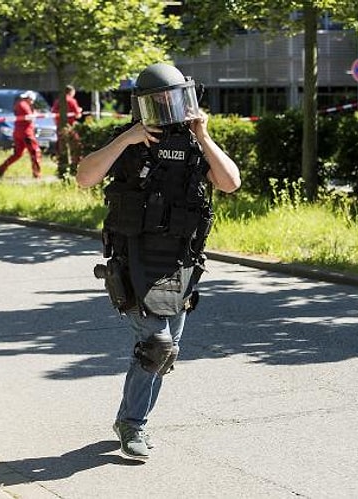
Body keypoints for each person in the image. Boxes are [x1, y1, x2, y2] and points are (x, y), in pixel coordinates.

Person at [76, 63, 241, 461]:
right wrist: (127, 139)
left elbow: (230, 182)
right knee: (155, 344)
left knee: (166, 351)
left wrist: (203, 134)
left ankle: (129, 420)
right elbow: (85, 176)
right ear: (142, 105)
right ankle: (133, 426)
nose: (169, 110)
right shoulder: (130, 141)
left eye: (176, 100)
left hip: (179, 264)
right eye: (159, 103)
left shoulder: (192, 142)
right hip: (133, 262)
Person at [0, 90, 42, 179]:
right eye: (32, 101)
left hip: (18, 132)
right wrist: (35, 114)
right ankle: (37, 174)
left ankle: (2, 167)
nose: (32, 103)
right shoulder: (24, 105)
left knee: (18, 153)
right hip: (26, 133)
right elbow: (29, 118)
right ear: (29, 98)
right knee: (35, 152)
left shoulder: (18, 104)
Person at [51, 84, 83, 164]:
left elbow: (54, 114)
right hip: (69, 126)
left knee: (61, 146)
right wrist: (79, 110)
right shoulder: (72, 100)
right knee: (76, 145)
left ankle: (61, 163)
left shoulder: (58, 101)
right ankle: (75, 163)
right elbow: (78, 115)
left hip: (59, 126)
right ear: (71, 92)